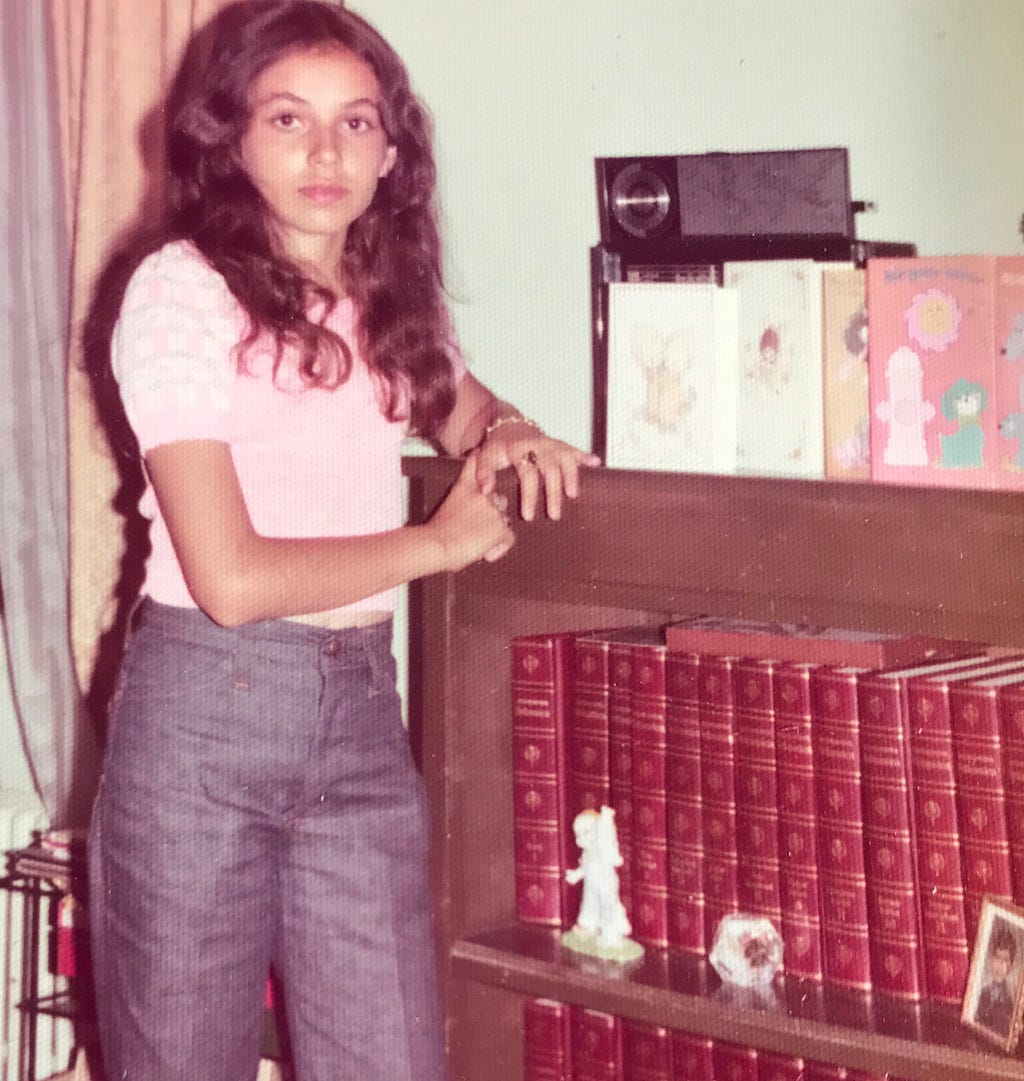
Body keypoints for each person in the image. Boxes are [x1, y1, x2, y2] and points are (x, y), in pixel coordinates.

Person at [86, 3, 598, 1080]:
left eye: (356, 122)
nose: (326, 150)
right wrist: (432, 542)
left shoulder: (387, 297)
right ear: (228, 137)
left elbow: (462, 408)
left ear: (392, 150)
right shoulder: (178, 292)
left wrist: (514, 430)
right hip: (202, 725)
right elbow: (230, 578)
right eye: (287, 117)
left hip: (362, 723)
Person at [976, 925, 1018, 1038]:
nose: (999, 966)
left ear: (1011, 966)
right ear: (991, 959)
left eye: (1004, 960)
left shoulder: (1010, 1003)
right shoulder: (982, 993)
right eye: (997, 957)